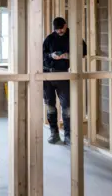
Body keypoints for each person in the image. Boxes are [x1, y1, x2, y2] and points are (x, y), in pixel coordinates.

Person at [42, 17, 86, 145]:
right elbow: (41, 55)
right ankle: (54, 133)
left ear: (65, 25)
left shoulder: (73, 37)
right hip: (47, 75)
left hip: (63, 74)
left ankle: (68, 135)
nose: (59, 31)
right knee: (50, 105)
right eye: (57, 29)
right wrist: (51, 55)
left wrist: (68, 55)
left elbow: (84, 52)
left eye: (61, 29)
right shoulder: (50, 38)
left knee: (66, 106)